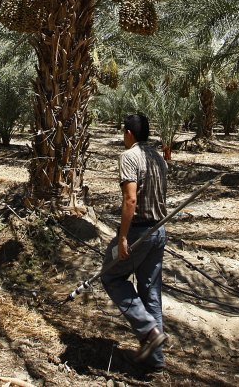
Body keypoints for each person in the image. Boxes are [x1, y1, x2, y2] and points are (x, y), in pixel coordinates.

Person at [101, 112, 169, 370]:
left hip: (139, 233)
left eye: (123, 132)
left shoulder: (129, 157)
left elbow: (130, 200)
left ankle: (149, 331)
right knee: (150, 291)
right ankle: (155, 359)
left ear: (128, 133)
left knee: (111, 277)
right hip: (159, 231)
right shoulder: (158, 157)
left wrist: (122, 238)